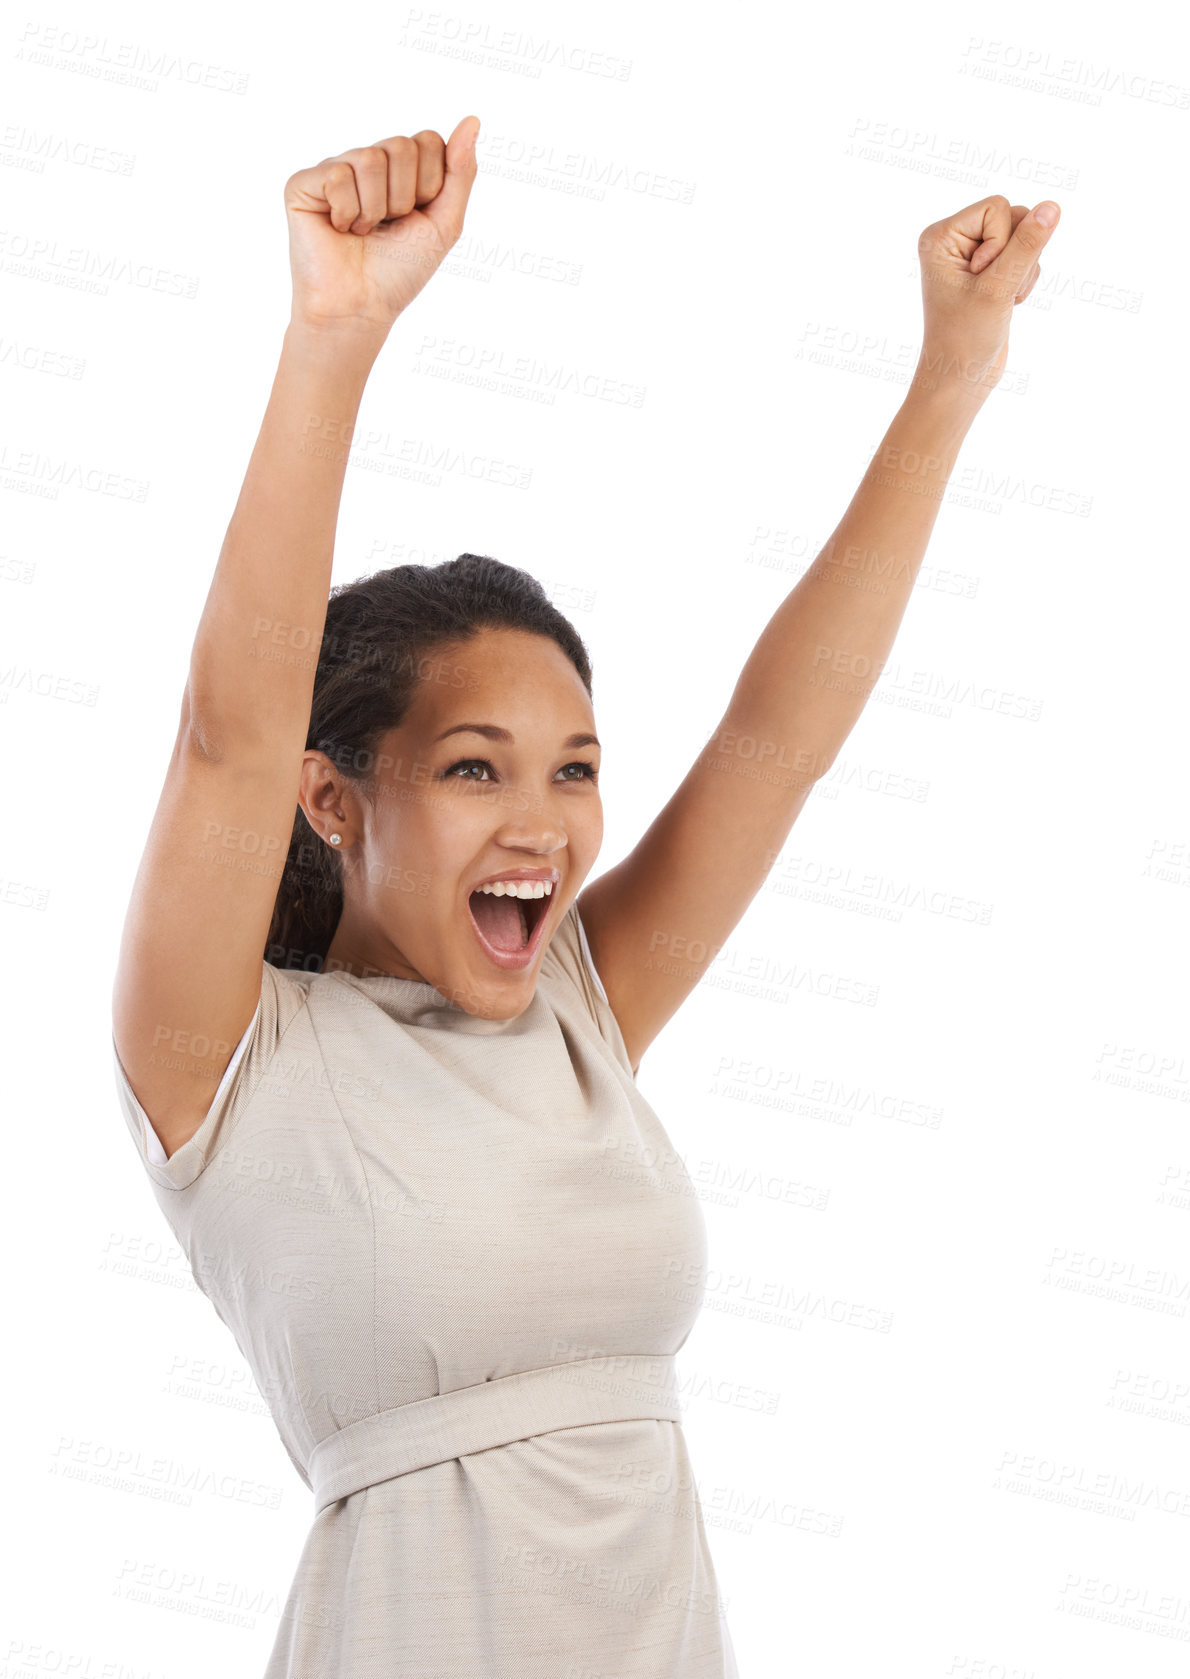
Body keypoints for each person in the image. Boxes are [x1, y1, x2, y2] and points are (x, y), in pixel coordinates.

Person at [109, 114, 1060, 1677]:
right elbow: (225, 743)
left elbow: (782, 739)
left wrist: (955, 368)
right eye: (478, 769)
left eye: (574, 769)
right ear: (333, 794)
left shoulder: (579, 1013)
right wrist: (332, 342)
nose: (545, 824)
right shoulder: (221, 1059)